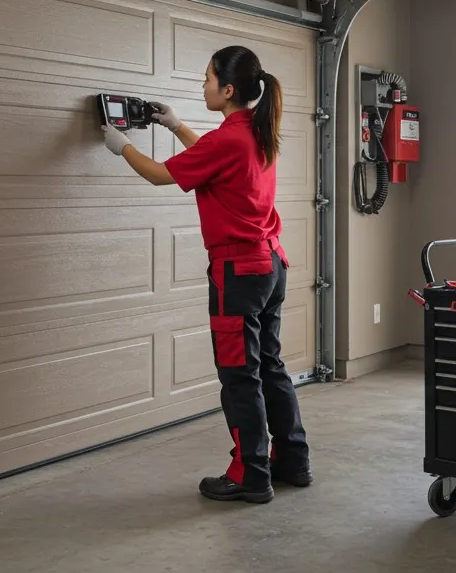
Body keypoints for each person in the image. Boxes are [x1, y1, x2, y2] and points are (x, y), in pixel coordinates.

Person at [101, 45, 311, 504]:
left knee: (240, 377)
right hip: (271, 266)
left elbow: (159, 175)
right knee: (270, 367)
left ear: (229, 89)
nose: (203, 84)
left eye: (208, 78)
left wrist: (123, 146)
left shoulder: (228, 140)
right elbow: (213, 158)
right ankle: (292, 461)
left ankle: (251, 474)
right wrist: (174, 124)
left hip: (238, 273)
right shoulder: (257, 133)